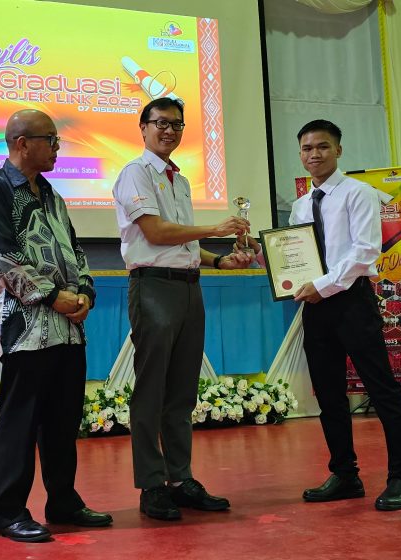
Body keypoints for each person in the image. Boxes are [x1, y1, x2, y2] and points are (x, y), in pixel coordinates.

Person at [0, 109, 111, 543]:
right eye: (50, 139)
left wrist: (85, 291)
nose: (56, 147)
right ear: (20, 143)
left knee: (62, 420)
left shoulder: (51, 194)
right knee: (20, 423)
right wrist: (53, 296)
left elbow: (75, 248)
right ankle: (9, 512)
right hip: (27, 329)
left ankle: (63, 501)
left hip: (68, 327)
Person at [112, 97, 253, 521]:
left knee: (182, 393)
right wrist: (217, 227)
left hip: (190, 288)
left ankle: (181, 478)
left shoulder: (180, 179)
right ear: (143, 127)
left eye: (177, 124)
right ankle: (152, 484)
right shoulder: (134, 173)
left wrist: (221, 259)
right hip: (153, 288)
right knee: (151, 390)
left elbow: (184, 243)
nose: (169, 130)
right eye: (161, 123)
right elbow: (155, 232)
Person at [287, 119, 401, 511]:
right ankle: (345, 474)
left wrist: (322, 285)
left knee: (382, 390)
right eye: (307, 148)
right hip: (315, 306)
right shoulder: (299, 205)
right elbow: (296, 255)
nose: (314, 154)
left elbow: (364, 252)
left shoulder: (359, 193)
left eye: (322, 147)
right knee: (328, 394)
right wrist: (270, 263)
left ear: (338, 151)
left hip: (350, 301)